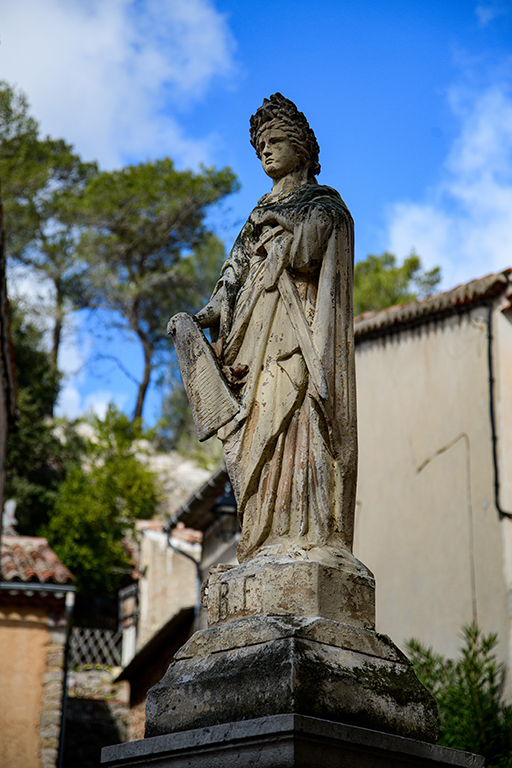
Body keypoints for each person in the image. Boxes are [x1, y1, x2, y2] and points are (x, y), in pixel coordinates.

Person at [195, 93, 357, 565]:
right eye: (260, 145)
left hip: (297, 332)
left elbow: (309, 255)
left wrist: (282, 225)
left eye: (275, 141)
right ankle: (259, 536)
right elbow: (233, 271)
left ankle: (300, 532)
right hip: (253, 334)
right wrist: (212, 310)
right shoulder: (256, 212)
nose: (265, 151)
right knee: (253, 426)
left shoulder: (323, 203)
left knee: (294, 417)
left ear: (301, 150)